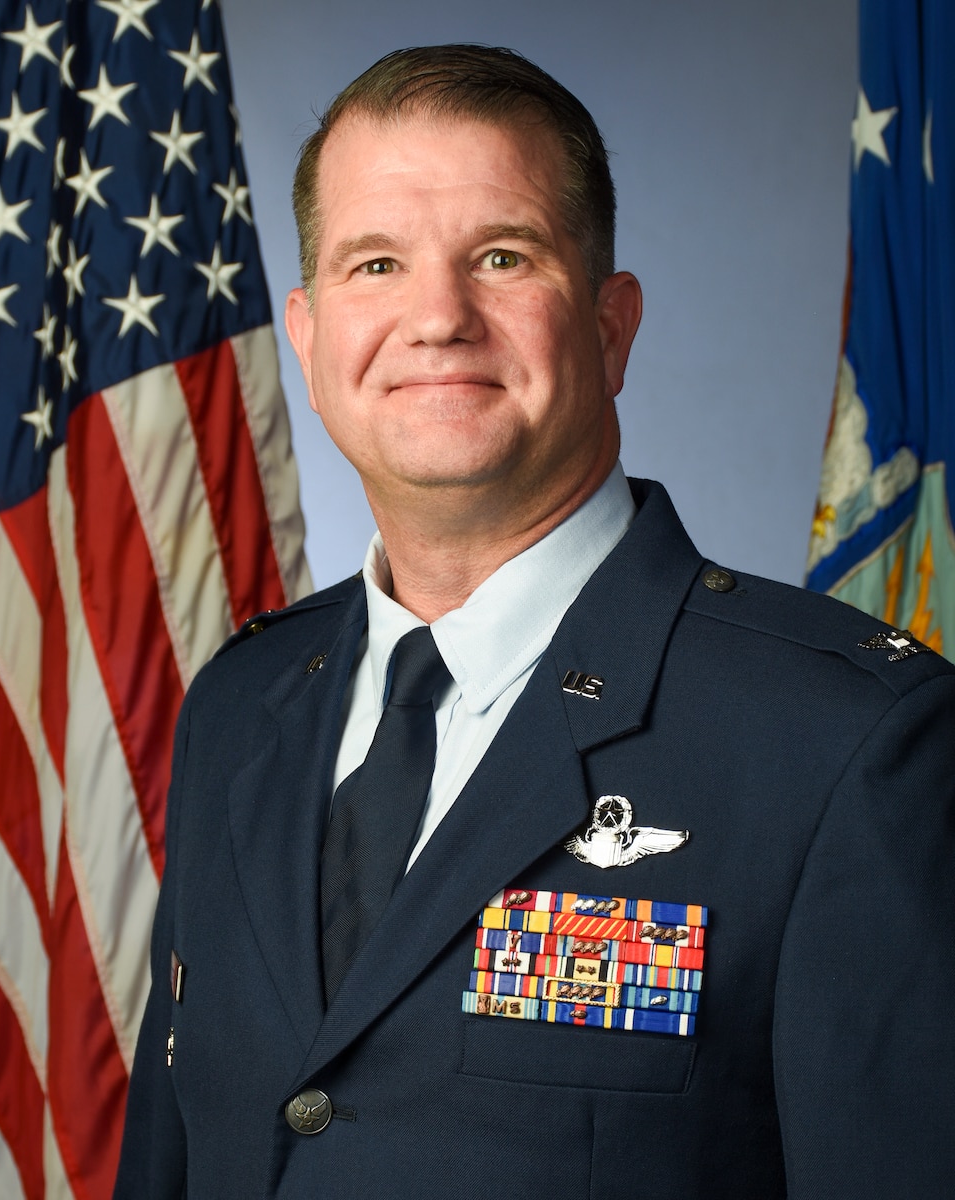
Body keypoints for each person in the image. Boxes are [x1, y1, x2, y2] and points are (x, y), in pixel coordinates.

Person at [114, 45, 955, 1199]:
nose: (437, 318)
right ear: (307, 345)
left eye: (501, 256)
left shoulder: (847, 744)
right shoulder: (244, 704)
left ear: (612, 328)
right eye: (376, 264)